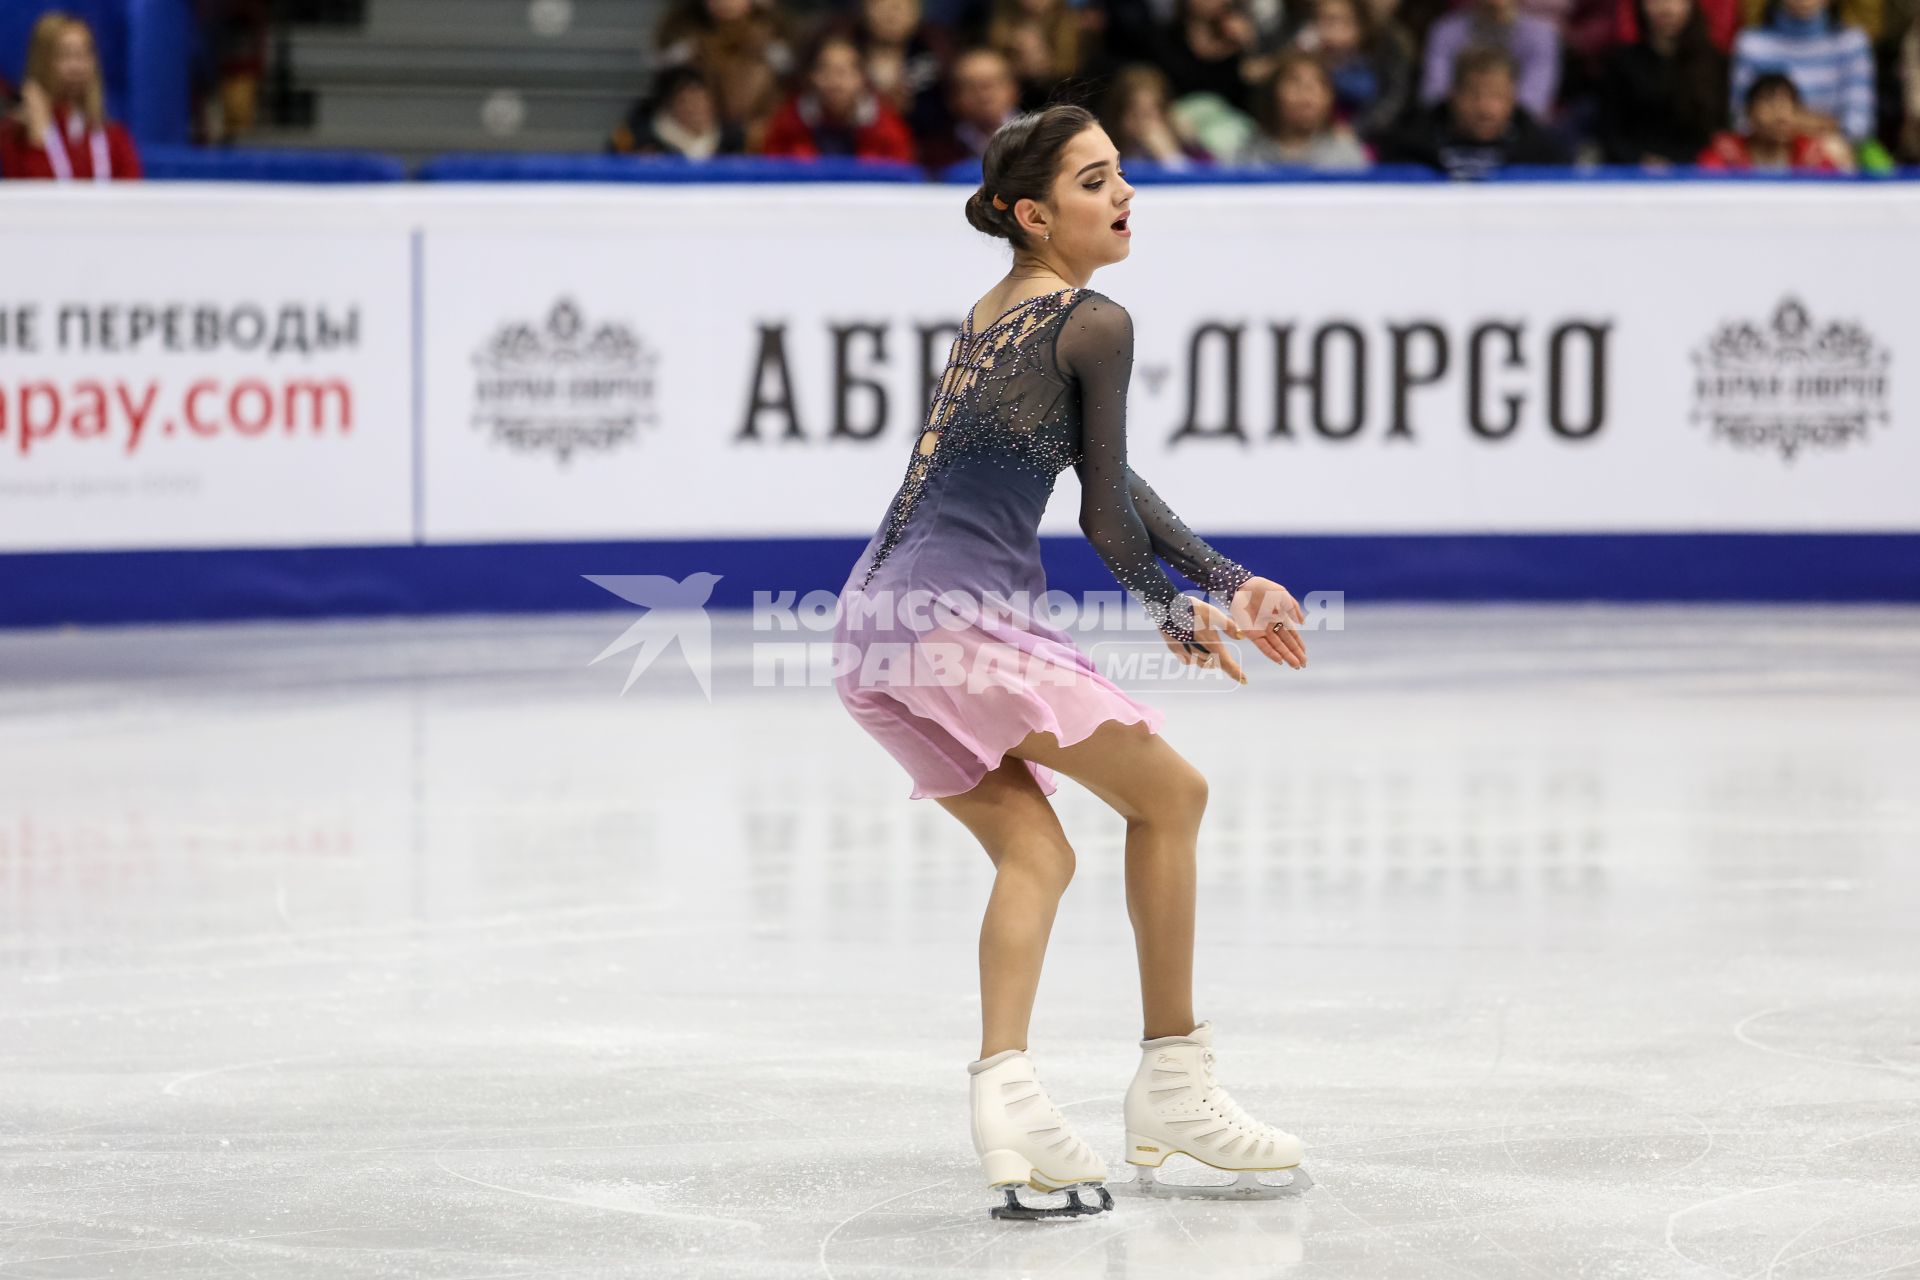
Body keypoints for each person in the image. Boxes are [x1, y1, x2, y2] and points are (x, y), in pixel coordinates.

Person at [830, 102, 1313, 1220]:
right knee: (1174, 795)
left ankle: (1010, 1109)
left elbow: (1113, 477)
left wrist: (1223, 578)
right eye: (1097, 182)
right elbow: (1104, 512)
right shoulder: (1096, 318)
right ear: (1037, 214)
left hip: (872, 624)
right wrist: (1167, 603)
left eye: (1122, 174)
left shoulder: (996, 310)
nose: (1125, 194)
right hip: (957, 624)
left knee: (1038, 856)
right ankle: (1176, 1085)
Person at [1384, 43, 1572, 174]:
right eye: (1473, 95)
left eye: (1496, 96)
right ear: (1452, 95)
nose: (1484, 108)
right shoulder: (1408, 150)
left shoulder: (1545, 157)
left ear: (1512, 99)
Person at [0, 12, 142, 181]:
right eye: (66, 55)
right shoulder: (16, 137)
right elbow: (32, 202)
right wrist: (39, 140)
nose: (77, 66)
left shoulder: (114, 138)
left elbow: (133, 198)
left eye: (84, 54)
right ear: (43, 62)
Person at [1599, 0, 1729, 164]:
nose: (1667, 8)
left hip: (1697, 172)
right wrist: (1640, 160)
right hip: (1634, 172)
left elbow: (1719, 130)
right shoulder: (1623, 62)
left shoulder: (1713, 63)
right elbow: (1610, 130)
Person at [1729, 0, 1876, 142]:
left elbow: (1858, 128)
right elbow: (1742, 124)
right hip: (1766, 158)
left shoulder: (1851, 43)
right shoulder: (1751, 45)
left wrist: (1781, 122)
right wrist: (1823, 124)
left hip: (1835, 157)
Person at [758, 32, 920, 161]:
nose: (835, 82)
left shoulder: (889, 131)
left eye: (843, 73)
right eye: (826, 71)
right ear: (812, 76)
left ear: (862, 78)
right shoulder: (786, 126)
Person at [1287, 0, 1416, 141]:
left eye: (1336, 21)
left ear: (1359, 27)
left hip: (1365, 139)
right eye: (1321, 20)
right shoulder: (1305, 54)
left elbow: (1386, 99)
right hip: (1310, 139)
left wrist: (1355, 128)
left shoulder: (1378, 55)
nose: (1329, 30)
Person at [1420, 0, 1563, 118]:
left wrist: (1491, 111)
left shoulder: (1541, 36)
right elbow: (1433, 95)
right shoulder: (1445, 30)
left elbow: (1533, 103)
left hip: (1518, 131)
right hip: (1453, 124)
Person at [1243, 48, 1374, 165]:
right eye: (1294, 82)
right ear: (1273, 94)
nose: (1306, 92)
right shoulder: (1247, 153)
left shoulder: (1346, 155)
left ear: (1330, 97)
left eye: (1317, 83)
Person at [1698, 68, 1854, 166]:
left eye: (1788, 104)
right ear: (1748, 112)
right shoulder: (1724, 154)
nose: (1780, 114)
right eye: (1769, 103)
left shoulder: (1813, 158)